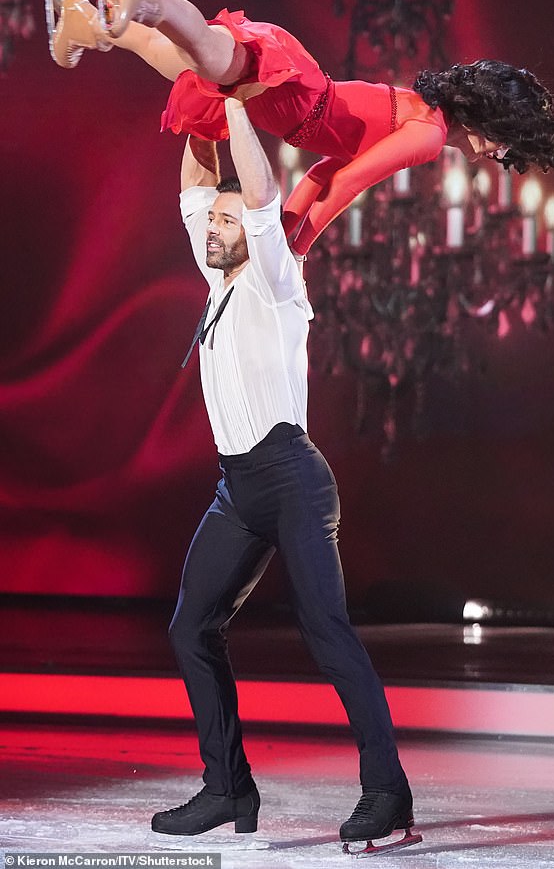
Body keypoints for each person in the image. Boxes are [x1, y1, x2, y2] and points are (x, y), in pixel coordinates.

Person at [147, 95, 421, 854]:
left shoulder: (273, 275)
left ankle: (386, 790)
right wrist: (194, 110)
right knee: (190, 626)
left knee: (325, 629)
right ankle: (229, 786)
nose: (215, 226)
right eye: (214, 222)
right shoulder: (216, 280)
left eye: (227, 221)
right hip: (238, 487)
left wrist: (232, 92)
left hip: (293, 476)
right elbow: (193, 188)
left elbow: (256, 193)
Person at [45, 0, 554, 258]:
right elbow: (350, 182)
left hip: (299, 105)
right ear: (494, 121)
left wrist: (288, 225)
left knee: (186, 58)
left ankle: (82, 19)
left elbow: (324, 170)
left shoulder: (419, 111)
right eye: (506, 146)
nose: (496, 157)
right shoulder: (430, 137)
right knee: (204, 48)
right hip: (298, 100)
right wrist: (300, 246)